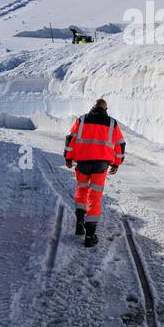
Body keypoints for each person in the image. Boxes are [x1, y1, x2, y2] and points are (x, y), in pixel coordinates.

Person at [63, 98, 125, 247]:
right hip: (101, 165)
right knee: (95, 197)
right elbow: (120, 144)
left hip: (83, 163)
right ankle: (90, 235)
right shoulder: (112, 123)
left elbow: (70, 138)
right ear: (106, 109)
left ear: (93, 107)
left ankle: (79, 222)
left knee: (82, 191)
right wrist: (117, 163)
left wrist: (68, 158)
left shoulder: (82, 120)